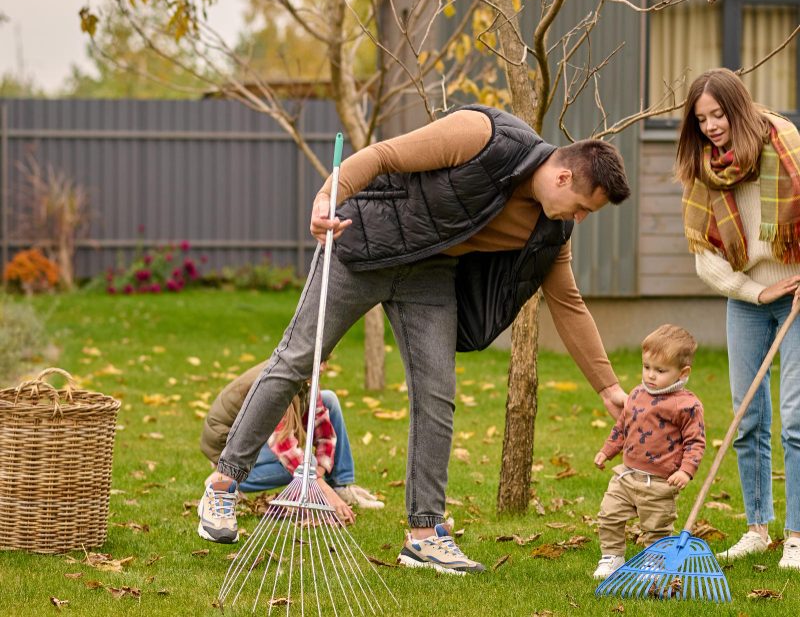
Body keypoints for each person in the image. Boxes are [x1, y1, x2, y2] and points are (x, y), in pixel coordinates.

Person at [200, 103, 632, 575]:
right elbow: (383, 155)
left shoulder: (552, 229)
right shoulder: (484, 134)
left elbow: (568, 304)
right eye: (584, 208)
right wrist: (328, 196)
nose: (581, 219)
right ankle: (223, 485)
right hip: (365, 247)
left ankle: (424, 535)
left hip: (430, 274)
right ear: (565, 177)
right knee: (298, 358)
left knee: (436, 394)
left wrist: (608, 387)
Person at [676, 68, 800, 569]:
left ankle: (796, 536)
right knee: (747, 418)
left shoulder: (786, 144)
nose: (710, 127)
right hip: (749, 298)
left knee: (795, 420)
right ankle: (756, 528)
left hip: (797, 293)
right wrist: (754, 289)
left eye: (718, 114)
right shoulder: (703, 167)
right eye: (701, 118)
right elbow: (705, 255)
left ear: (739, 108)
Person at [197, 361, 383, 543]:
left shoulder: (303, 375)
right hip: (227, 443)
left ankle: (341, 486)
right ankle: (223, 479)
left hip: (257, 437)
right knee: (305, 463)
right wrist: (320, 486)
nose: (324, 367)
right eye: (320, 362)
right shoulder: (277, 384)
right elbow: (283, 445)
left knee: (329, 399)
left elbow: (323, 429)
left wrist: (321, 472)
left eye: (326, 361)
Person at [592, 324, 705, 579]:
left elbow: (695, 442)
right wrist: (607, 451)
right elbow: (622, 425)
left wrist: (686, 472)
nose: (650, 375)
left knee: (656, 527)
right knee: (609, 515)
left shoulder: (687, 405)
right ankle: (612, 557)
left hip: (659, 482)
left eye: (660, 370)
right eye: (646, 367)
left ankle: (654, 562)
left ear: (682, 372)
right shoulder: (636, 394)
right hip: (626, 475)